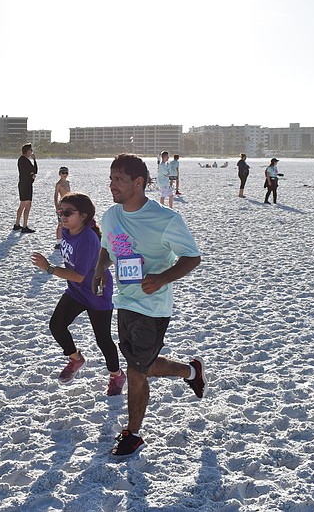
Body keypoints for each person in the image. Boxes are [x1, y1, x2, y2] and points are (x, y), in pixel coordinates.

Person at [93, 154, 204, 458]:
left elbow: (192, 257)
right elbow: (107, 248)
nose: (112, 184)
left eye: (119, 179)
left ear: (139, 183)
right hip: (124, 301)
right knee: (140, 363)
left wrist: (162, 277)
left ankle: (134, 434)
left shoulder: (166, 219)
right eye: (111, 177)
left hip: (153, 305)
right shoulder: (111, 215)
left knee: (136, 370)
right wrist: (100, 269)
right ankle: (190, 371)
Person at [30, 192, 126, 395]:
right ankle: (75, 358)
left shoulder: (88, 239)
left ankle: (117, 375)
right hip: (76, 291)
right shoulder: (67, 231)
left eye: (68, 212)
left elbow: (79, 276)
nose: (63, 216)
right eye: (60, 212)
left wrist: (49, 268)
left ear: (83, 216)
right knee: (56, 325)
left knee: (103, 340)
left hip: (95, 293)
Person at [14, 144, 37, 233]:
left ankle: (17, 224)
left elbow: (29, 172)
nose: (31, 152)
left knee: (22, 204)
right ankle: (24, 226)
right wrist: (34, 160)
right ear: (27, 151)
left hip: (22, 184)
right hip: (26, 185)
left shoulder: (21, 160)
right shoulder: (25, 160)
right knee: (28, 205)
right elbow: (34, 170)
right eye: (30, 150)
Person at [53, 166, 71, 250]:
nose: (65, 174)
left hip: (69, 205)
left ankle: (66, 240)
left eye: (66, 173)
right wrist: (57, 206)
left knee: (68, 223)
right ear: (60, 174)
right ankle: (58, 242)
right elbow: (56, 196)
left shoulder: (67, 182)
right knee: (60, 224)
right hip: (61, 205)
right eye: (63, 173)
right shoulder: (58, 184)